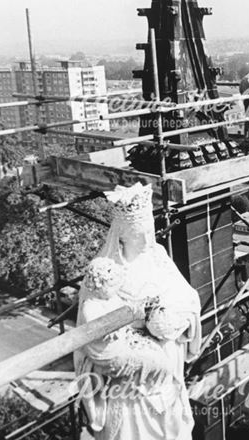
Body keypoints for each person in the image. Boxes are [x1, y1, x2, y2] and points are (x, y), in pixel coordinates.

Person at [74, 183, 201, 440]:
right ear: (121, 235)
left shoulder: (159, 259)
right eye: (138, 233)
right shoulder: (104, 270)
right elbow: (90, 325)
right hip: (128, 374)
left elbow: (188, 299)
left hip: (164, 360)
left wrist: (171, 320)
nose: (145, 239)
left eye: (147, 231)